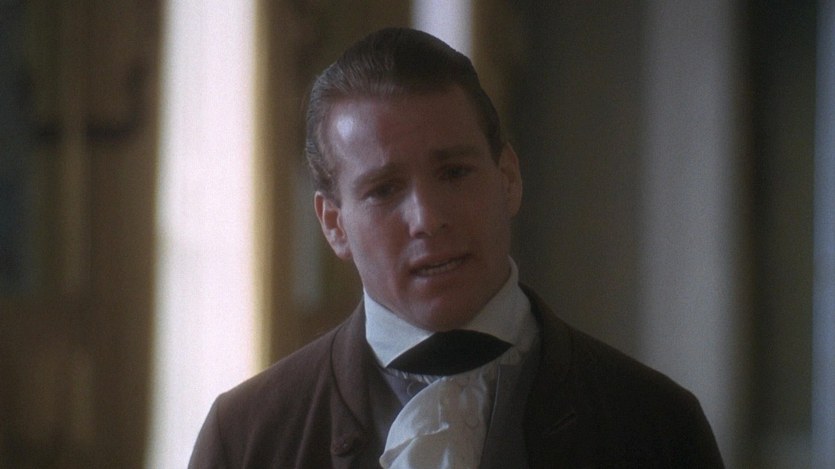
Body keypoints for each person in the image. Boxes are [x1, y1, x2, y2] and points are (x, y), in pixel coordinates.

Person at [189, 27, 724, 468]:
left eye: (454, 173)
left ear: (507, 177)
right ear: (334, 225)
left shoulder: (655, 425)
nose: (428, 219)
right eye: (384, 190)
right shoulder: (247, 438)